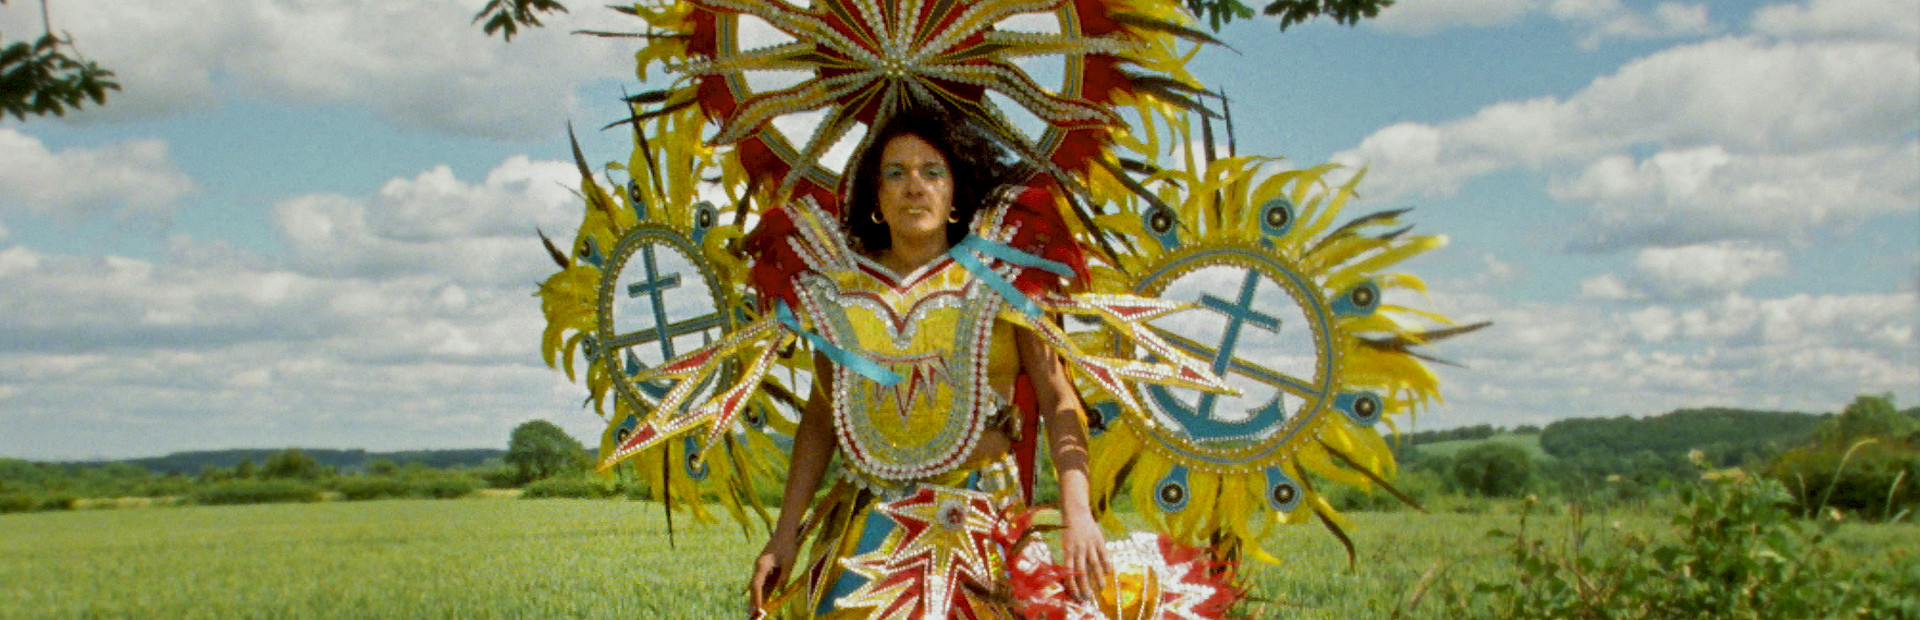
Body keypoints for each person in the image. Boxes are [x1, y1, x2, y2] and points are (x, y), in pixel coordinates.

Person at [744, 108, 1114, 618]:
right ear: (875, 198)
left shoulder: (1006, 277)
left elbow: (1057, 395)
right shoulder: (839, 294)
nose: (913, 186)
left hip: (983, 524)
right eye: (894, 173)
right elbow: (820, 418)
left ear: (957, 194)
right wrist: (784, 537)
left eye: (931, 171)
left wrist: (1077, 510)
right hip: (866, 532)